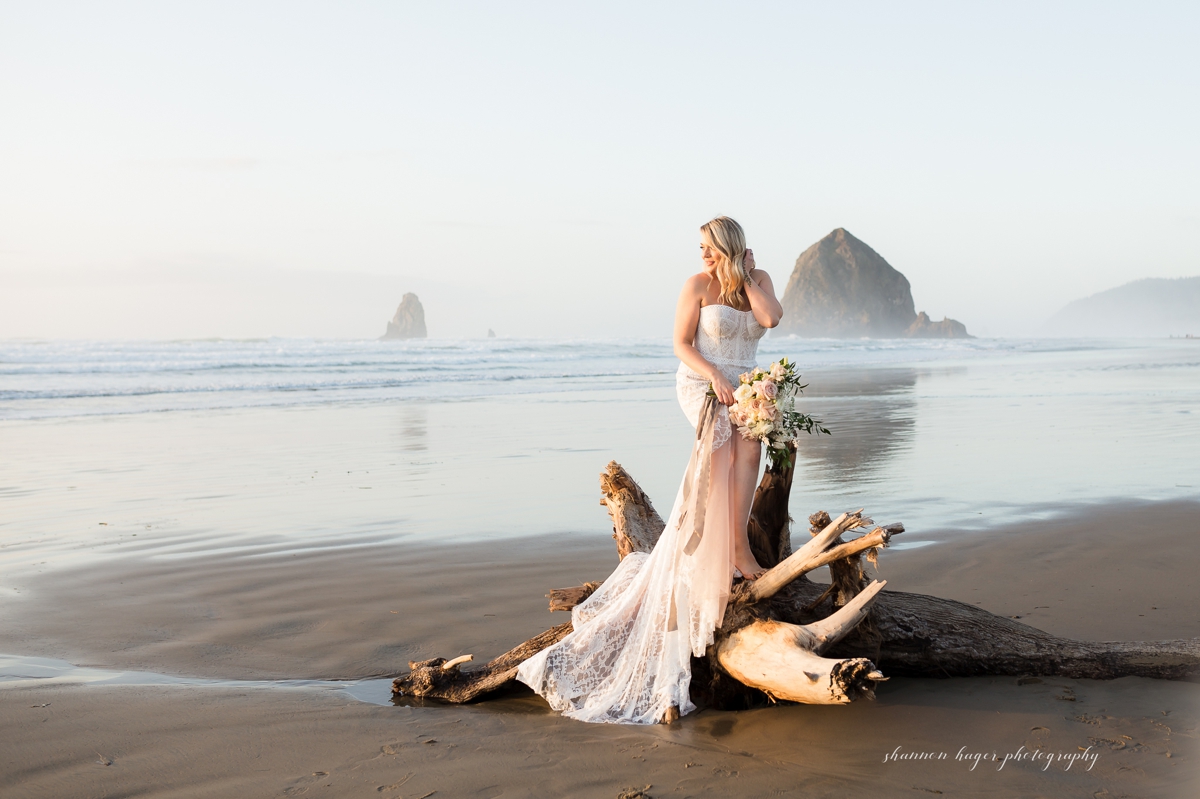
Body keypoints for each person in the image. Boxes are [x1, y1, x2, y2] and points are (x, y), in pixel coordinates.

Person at [516, 216, 783, 724]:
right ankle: (728, 549)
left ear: (728, 246)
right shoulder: (695, 285)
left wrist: (746, 275)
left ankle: (738, 547)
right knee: (721, 456)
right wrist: (714, 377)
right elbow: (682, 344)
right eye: (700, 247)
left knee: (752, 454)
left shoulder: (759, 279)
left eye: (708, 247)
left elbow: (770, 320)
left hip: (748, 383)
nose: (702, 254)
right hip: (703, 382)